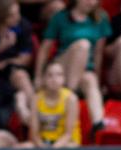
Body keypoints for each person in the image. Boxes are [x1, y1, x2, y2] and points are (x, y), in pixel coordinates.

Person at [36, 0, 109, 135]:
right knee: (83, 45)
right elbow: (44, 49)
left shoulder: (101, 18)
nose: (92, 2)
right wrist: (38, 76)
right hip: (62, 66)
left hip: (85, 69)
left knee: (90, 80)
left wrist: (98, 79)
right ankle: (68, 96)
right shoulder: (60, 17)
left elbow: (98, 53)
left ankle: (98, 125)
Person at [28, 60, 81, 150]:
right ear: (43, 79)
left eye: (59, 74)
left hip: (65, 143)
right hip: (42, 143)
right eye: (50, 75)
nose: (54, 79)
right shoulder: (36, 98)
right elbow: (34, 133)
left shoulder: (71, 99)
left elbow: (68, 134)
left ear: (64, 78)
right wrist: (43, 148)